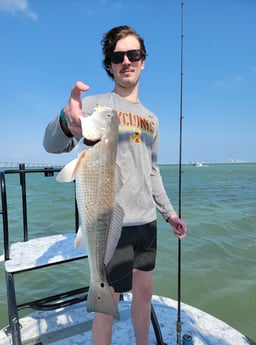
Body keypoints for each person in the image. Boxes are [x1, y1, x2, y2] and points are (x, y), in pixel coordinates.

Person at [43, 25, 187, 345]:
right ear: (109, 64)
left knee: (144, 295)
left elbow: (152, 171)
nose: (126, 61)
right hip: (110, 222)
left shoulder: (152, 119)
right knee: (107, 305)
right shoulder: (94, 105)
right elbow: (52, 144)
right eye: (117, 56)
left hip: (146, 223)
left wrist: (169, 214)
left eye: (133, 54)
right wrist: (66, 123)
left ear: (143, 61)